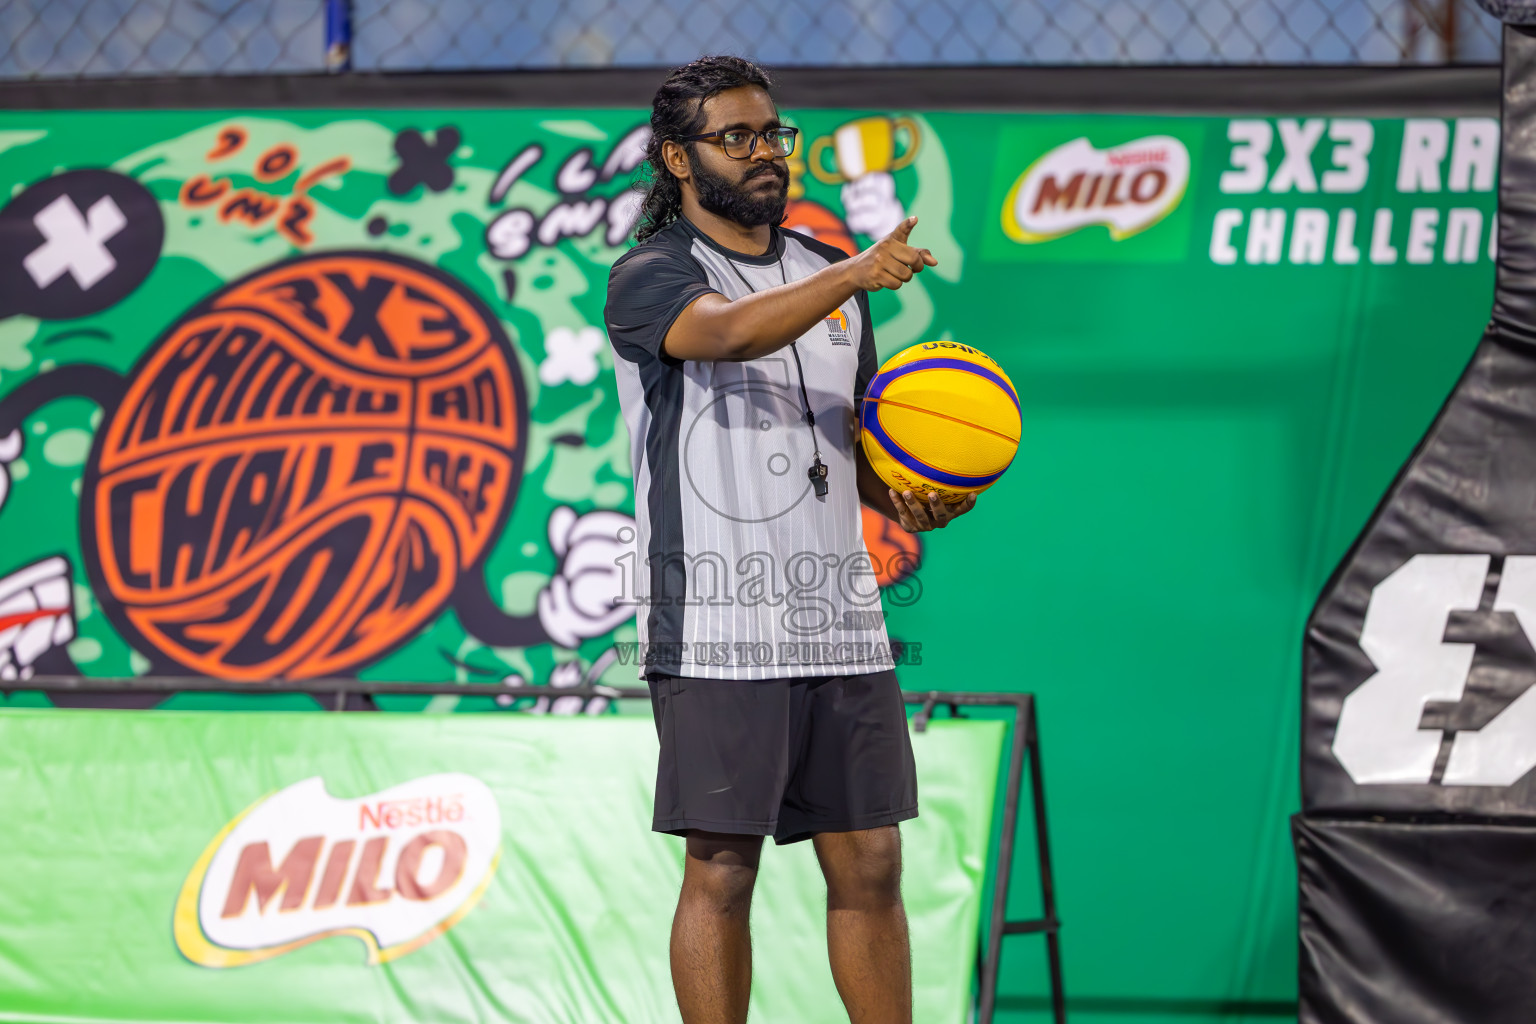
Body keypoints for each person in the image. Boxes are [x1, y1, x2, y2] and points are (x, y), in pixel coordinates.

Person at [603, 55, 977, 1024]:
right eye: (737, 137)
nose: (765, 152)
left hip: (837, 614)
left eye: (775, 134)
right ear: (679, 159)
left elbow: (854, 444)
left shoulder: (830, 282)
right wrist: (856, 269)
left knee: (872, 859)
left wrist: (910, 497)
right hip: (720, 617)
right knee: (724, 867)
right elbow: (723, 334)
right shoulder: (653, 272)